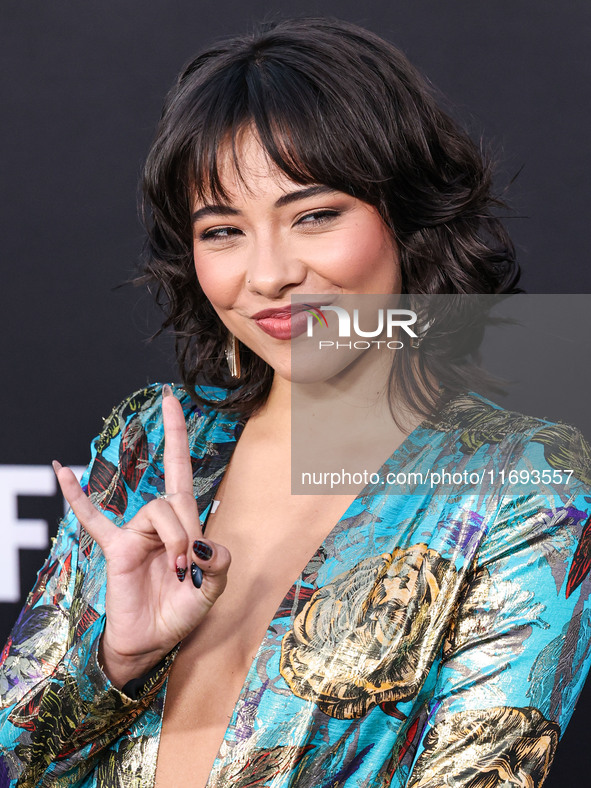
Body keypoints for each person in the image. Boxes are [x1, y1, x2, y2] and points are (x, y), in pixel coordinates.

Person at [1, 16, 590, 788]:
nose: (268, 273)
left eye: (314, 215)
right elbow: (20, 759)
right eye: (223, 231)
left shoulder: (526, 479)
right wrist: (117, 659)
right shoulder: (154, 437)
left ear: (406, 216)